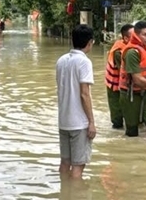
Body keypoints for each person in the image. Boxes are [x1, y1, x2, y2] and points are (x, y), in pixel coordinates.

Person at [55, 24, 96, 179]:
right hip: (79, 123)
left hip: (63, 121)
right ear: (90, 42)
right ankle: (75, 194)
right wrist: (91, 122)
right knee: (78, 165)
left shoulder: (61, 61)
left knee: (65, 163)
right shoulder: (84, 62)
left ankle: (64, 192)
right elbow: (84, 94)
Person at [104, 24, 134, 129]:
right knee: (116, 112)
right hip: (114, 82)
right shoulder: (118, 51)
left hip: (124, 82)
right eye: (133, 36)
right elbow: (125, 70)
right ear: (126, 38)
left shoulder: (131, 48)